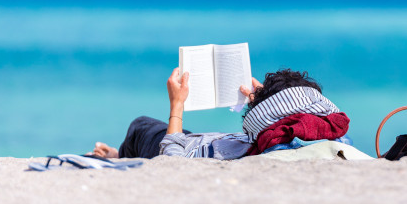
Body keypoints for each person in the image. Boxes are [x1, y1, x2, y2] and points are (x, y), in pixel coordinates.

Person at [91, 68, 350, 160]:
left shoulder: (269, 145)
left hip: (186, 148)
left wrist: (177, 104)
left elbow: (171, 161)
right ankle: (120, 153)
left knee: (141, 126)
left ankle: (119, 156)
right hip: (217, 141)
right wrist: (264, 98)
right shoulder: (324, 132)